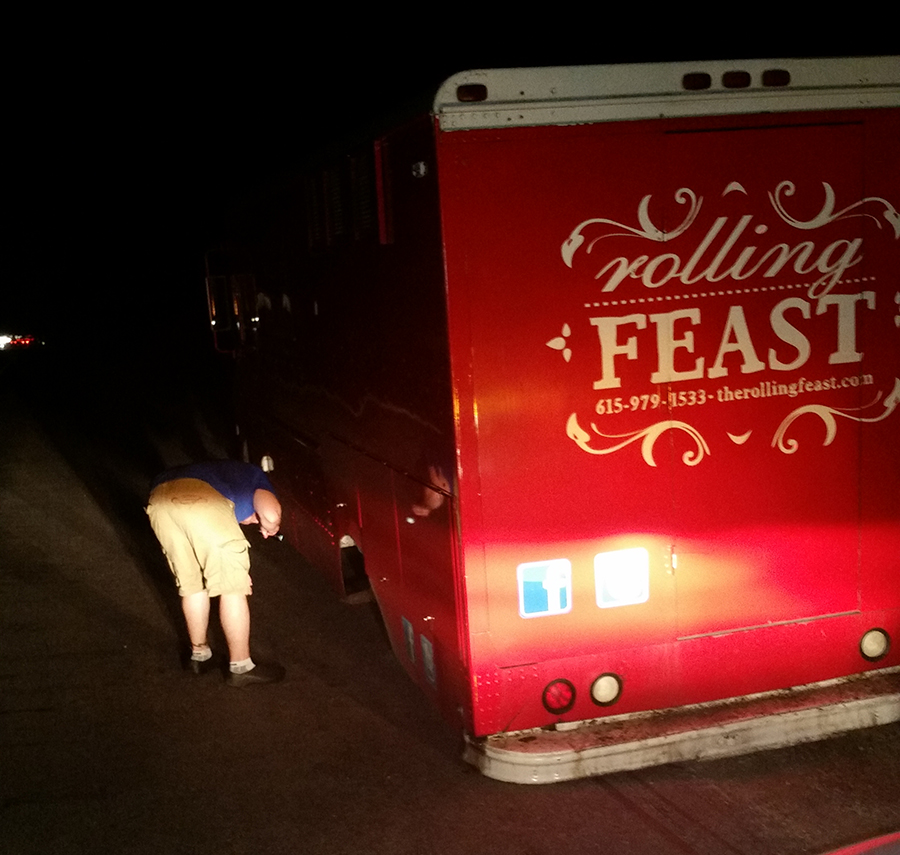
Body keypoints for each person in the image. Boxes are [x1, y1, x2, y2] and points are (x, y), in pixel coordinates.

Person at [146, 460, 285, 687]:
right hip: (202, 498)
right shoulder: (256, 477)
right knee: (233, 587)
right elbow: (270, 513)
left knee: (192, 584)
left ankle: (199, 656)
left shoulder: (228, 475)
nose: (253, 522)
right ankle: (241, 667)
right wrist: (271, 526)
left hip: (159, 498)